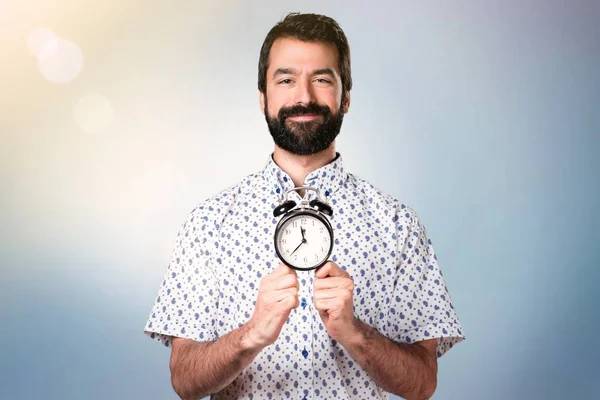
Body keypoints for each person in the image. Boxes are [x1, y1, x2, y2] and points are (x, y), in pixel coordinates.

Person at [143, 12, 465, 400]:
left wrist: (355, 333)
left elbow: (422, 383)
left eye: (322, 79)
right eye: (286, 79)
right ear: (263, 97)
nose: (304, 96)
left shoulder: (398, 225)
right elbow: (185, 381)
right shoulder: (208, 224)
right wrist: (252, 334)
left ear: (345, 96)